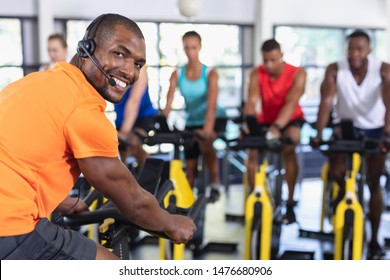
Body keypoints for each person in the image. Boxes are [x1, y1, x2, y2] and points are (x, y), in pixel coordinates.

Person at [0, 13, 196, 260]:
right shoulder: (84, 108)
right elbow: (133, 203)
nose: (130, 72)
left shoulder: (34, 83)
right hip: (9, 225)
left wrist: (61, 202)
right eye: (120, 54)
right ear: (86, 48)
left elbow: (17, 155)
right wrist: (171, 222)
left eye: (138, 64)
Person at [313, 29, 390, 260]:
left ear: (369, 50)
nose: (354, 54)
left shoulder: (383, 69)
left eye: (359, 49)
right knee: (337, 170)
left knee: (373, 183)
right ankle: (339, 195)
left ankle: (374, 238)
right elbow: (326, 101)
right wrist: (318, 133)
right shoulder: (335, 68)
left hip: (375, 128)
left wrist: (387, 134)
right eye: (350, 49)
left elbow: (389, 103)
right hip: (346, 126)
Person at [245, 39, 307, 224]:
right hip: (267, 119)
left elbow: (291, 102)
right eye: (265, 60)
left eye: (272, 60)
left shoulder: (298, 73)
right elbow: (252, 100)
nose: (269, 65)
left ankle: (289, 202)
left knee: (290, 145)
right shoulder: (257, 73)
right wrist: (249, 122)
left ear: (281, 55)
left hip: (290, 119)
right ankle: (254, 199)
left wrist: (278, 128)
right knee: (253, 152)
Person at [162, 31, 226, 203]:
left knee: (206, 144)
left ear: (200, 48)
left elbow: (211, 106)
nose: (190, 52)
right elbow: (167, 105)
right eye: (187, 48)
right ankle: (187, 203)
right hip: (192, 120)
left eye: (194, 47)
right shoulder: (177, 74)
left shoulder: (210, 73)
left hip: (215, 119)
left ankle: (215, 183)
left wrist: (207, 130)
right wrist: (161, 123)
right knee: (189, 167)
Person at [115, 65, 158, 168]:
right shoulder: (111, 65)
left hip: (144, 117)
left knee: (133, 142)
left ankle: (152, 176)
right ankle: (121, 180)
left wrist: (124, 132)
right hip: (122, 117)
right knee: (120, 151)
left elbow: (134, 101)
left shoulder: (141, 69)